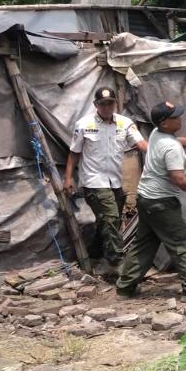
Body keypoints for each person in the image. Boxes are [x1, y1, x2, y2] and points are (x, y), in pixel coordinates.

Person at [115, 101, 186, 302]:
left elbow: (178, 141)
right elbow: (179, 179)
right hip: (161, 203)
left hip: (145, 199)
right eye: (175, 117)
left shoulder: (157, 134)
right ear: (164, 122)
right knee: (183, 239)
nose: (180, 119)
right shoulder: (170, 147)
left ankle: (125, 288)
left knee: (144, 245)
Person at [65, 88, 147, 275]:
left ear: (115, 103)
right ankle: (117, 264)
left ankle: (95, 255)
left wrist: (160, 152)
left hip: (115, 181)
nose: (107, 107)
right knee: (110, 218)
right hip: (93, 181)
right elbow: (74, 153)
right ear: (96, 105)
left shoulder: (125, 123)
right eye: (103, 103)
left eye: (110, 103)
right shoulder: (84, 124)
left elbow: (141, 144)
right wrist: (68, 178)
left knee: (110, 222)